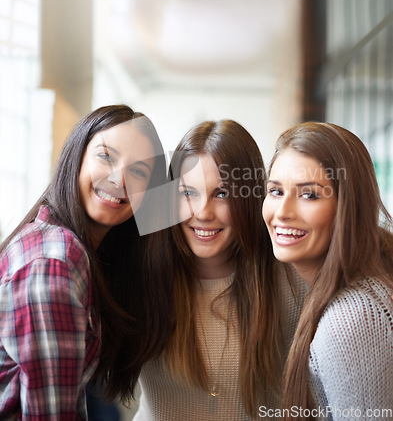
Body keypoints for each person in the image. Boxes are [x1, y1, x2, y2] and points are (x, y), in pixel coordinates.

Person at [0, 104, 173, 420]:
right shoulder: (54, 259)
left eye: (138, 171)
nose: (119, 178)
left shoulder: (80, 253)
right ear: (76, 156)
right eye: (106, 156)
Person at [134, 119, 306, 421]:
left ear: (250, 198)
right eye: (188, 193)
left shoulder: (289, 283)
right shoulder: (144, 276)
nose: (203, 213)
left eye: (222, 194)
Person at [262, 121, 393, 420]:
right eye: (275, 191)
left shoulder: (354, 318)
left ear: (349, 206)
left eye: (309, 195)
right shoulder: (363, 284)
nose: (282, 211)